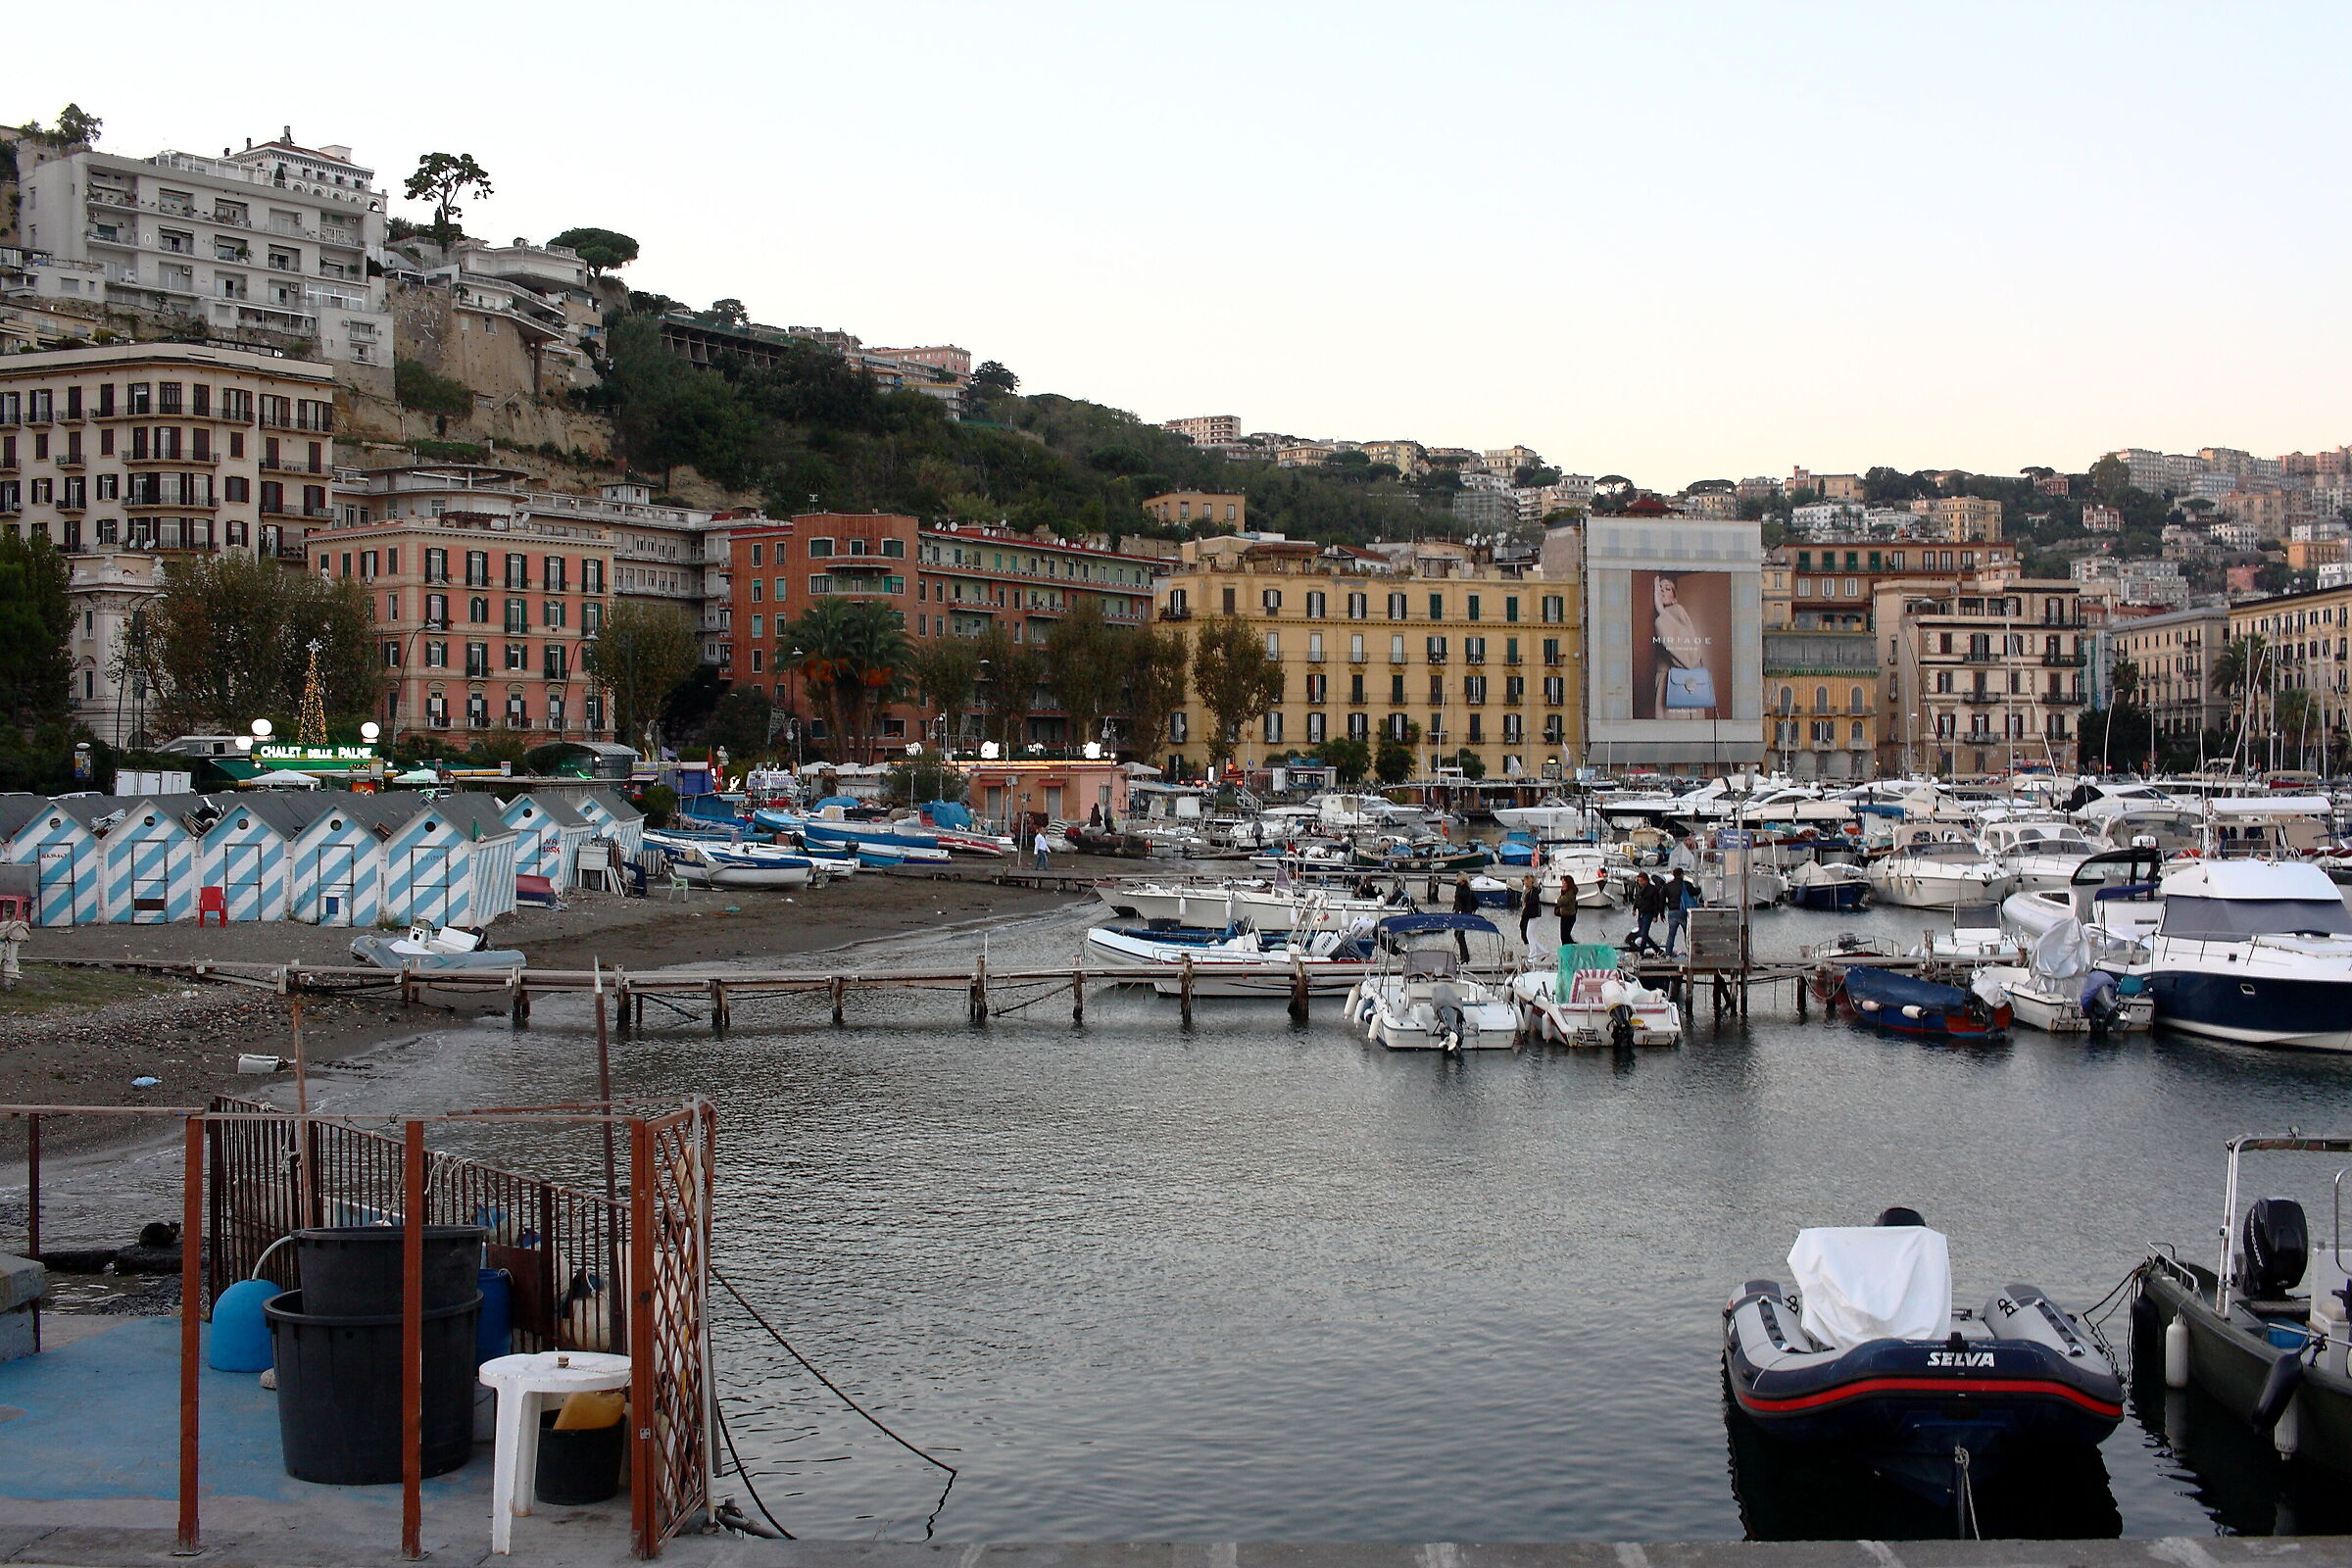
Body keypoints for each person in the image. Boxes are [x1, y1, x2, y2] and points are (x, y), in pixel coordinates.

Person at [1648, 573, 1715, 716]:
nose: (1662, 591)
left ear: (1674, 597)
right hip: (1668, 683)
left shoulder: (1676, 610)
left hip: (1677, 682)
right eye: (1659, 588)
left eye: (1667, 588)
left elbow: (1689, 656)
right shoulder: (1665, 615)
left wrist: (1661, 610)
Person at [1663, 867, 1694, 958]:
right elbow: (1695, 892)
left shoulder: (1668, 886)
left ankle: (1668, 954)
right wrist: (1700, 889)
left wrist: (1661, 913)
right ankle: (1690, 953)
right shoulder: (1686, 885)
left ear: (1673, 874)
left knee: (1671, 934)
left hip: (1672, 912)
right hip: (1683, 912)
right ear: (1682, 874)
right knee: (1687, 933)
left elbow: (1662, 899)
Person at [1631, 872, 1664, 955]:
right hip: (1641, 913)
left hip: (1649, 914)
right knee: (1642, 933)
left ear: (1646, 880)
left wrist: (1656, 915)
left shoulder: (1653, 890)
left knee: (1644, 933)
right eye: (1639, 881)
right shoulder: (1640, 890)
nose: (1640, 882)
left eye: (1641, 881)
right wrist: (1634, 909)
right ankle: (1657, 949)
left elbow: (1656, 903)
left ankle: (1641, 952)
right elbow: (1637, 900)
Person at [1451, 874, 1479, 959]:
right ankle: (1464, 955)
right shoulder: (1462, 888)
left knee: (1459, 934)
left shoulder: (1465, 889)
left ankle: (1465, 956)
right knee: (1458, 934)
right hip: (1459, 913)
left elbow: (1462, 897)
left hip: (1463, 913)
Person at [1518, 877, 1543, 949]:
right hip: (1526, 912)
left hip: (1531, 914)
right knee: (1525, 931)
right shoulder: (1526, 891)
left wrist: (1526, 903)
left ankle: (1534, 952)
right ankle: (1538, 950)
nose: (1524, 883)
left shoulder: (1533, 891)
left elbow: (1534, 901)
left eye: (1525, 881)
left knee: (1529, 934)